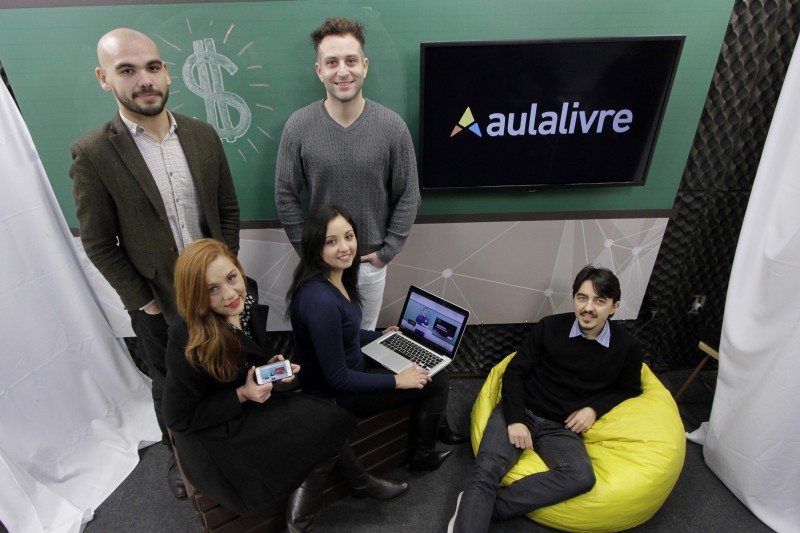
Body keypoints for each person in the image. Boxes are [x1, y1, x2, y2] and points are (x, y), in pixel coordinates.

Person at [69, 28, 240, 498]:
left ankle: (229, 441)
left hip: (213, 293)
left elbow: (226, 210)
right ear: (105, 79)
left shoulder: (203, 135)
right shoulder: (94, 153)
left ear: (165, 71)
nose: (143, 79)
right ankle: (181, 458)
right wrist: (143, 303)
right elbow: (100, 242)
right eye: (127, 70)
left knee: (222, 365)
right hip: (157, 302)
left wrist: (227, 274)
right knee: (171, 386)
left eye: (152, 67)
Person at [163, 239, 356, 531]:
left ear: (239, 270)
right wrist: (242, 394)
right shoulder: (185, 337)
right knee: (322, 422)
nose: (230, 294)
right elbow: (178, 418)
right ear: (196, 296)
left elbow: (246, 356)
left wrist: (270, 371)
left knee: (325, 417)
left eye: (231, 278)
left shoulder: (246, 295)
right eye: (212, 289)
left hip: (247, 403)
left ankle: (357, 484)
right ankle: (302, 522)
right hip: (214, 433)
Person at [448, 265, 643, 532]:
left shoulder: (627, 347)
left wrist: (593, 410)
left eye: (599, 301)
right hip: (522, 408)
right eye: (582, 298)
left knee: (581, 477)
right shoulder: (550, 327)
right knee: (486, 471)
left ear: (614, 307)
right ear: (574, 299)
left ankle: (483, 506)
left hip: (561, 428)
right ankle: (475, 508)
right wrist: (515, 420)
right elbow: (515, 372)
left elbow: (630, 388)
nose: (588, 308)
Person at [287, 204, 463, 475]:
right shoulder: (320, 301)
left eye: (349, 236)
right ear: (315, 246)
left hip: (350, 370)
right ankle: (423, 456)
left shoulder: (331, 278)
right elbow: (339, 378)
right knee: (437, 379)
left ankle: (438, 427)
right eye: (331, 241)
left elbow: (345, 334)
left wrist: (379, 335)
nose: (345, 247)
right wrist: (397, 381)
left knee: (424, 363)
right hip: (340, 397)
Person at [275, 17, 421, 330]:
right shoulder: (298, 127)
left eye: (350, 61)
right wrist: (309, 251)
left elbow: (409, 193)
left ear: (364, 66)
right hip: (319, 266)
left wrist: (387, 251)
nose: (343, 71)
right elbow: (285, 195)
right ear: (319, 71)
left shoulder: (392, 127)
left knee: (363, 340)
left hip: (370, 262)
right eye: (332, 62)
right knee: (325, 343)